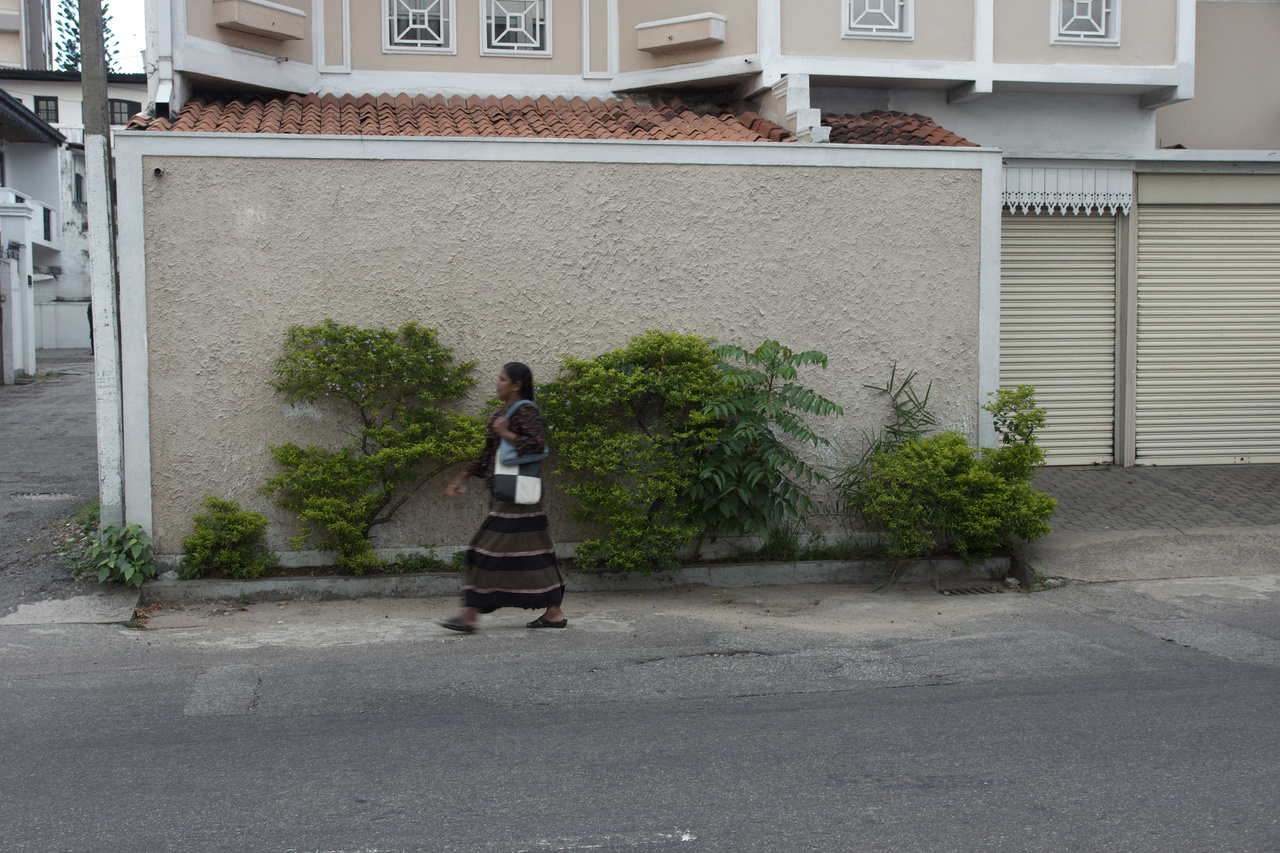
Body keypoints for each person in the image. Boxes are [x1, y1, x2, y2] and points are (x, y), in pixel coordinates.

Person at [441, 362, 567, 633]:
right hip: (511, 496)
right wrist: (461, 477)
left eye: (502, 379)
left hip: (517, 499)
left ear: (516, 385)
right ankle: (554, 611)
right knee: (534, 555)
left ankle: (470, 614)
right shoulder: (502, 414)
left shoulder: (525, 411)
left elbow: (537, 444)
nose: (497, 383)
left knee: (482, 551)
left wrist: (505, 433)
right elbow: (488, 455)